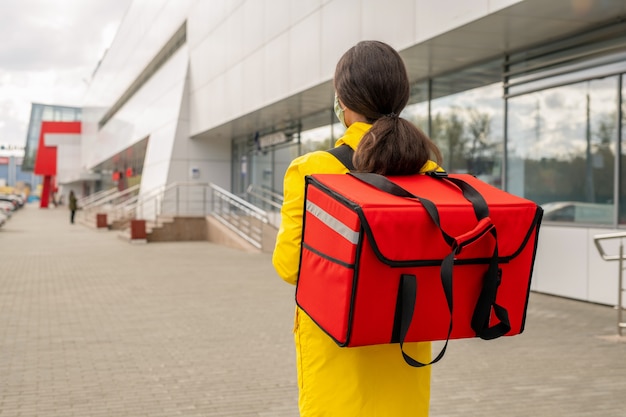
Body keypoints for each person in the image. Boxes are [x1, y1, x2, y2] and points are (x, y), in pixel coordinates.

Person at [272, 41, 444, 417]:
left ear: (343, 102)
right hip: (406, 354)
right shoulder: (430, 175)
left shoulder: (314, 169)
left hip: (338, 358)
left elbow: (289, 267)